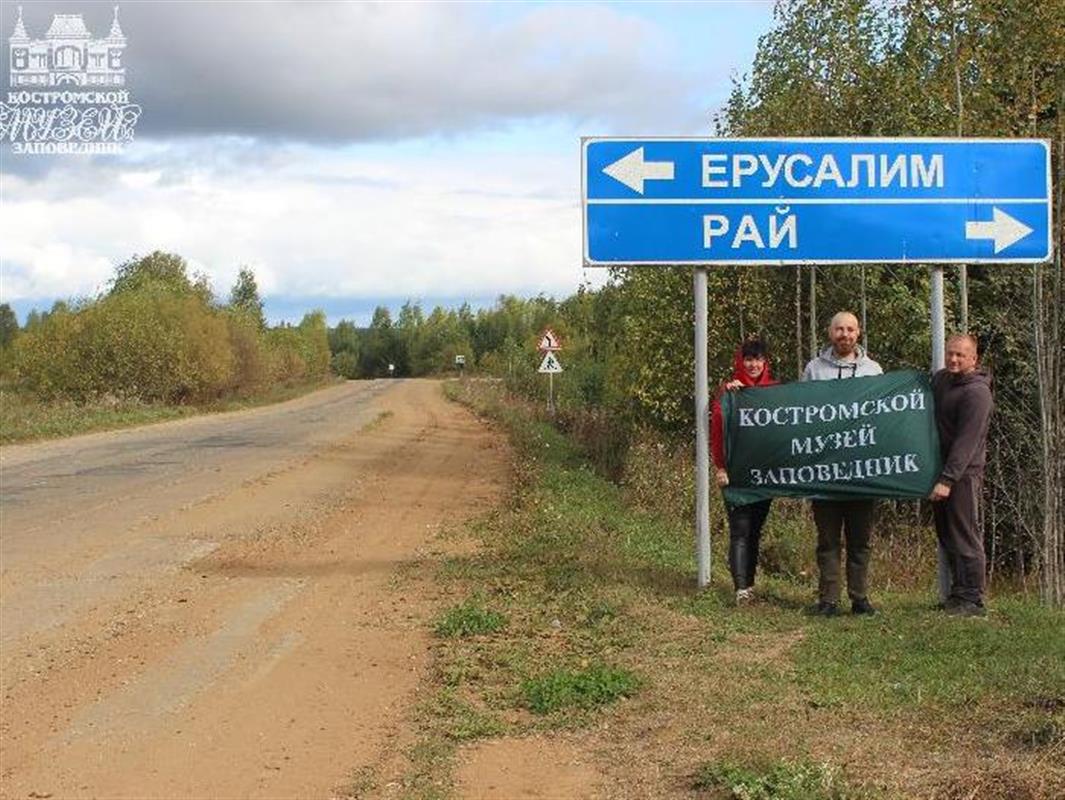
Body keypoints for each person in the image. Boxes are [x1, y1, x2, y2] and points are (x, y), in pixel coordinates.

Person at [802, 311, 883, 616]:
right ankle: (829, 600)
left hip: (862, 473)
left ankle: (859, 597)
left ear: (858, 333)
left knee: (860, 541)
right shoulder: (814, 369)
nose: (844, 334)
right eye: (839, 329)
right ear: (829, 332)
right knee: (827, 541)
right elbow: (802, 413)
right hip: (824, 471)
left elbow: (883, 416)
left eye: (850, 329)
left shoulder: (873, 370)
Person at [930, 334, 993, 617]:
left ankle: (973, 598)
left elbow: (966, 442)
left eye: (960, 355)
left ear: (973, 359)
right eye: (950, 354)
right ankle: (958, 593)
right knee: (947, 534)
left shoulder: (977, 393)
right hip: (940, 471)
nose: (954, 360)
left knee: (965, 533)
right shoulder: (942, 380)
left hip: (962, 475)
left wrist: (948, 479)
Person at [711, 339, 777, 605]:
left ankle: (749, 585)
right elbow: (717, 431)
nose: (753, 364)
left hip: (765, 475)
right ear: (741, 361)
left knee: (755, 531)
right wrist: (720, 466)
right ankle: (740, 590)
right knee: (740, 530)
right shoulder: (729, 393)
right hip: (736, 474)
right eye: (748, 359)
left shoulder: (775, 391)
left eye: (758, 359)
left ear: (765, 362)